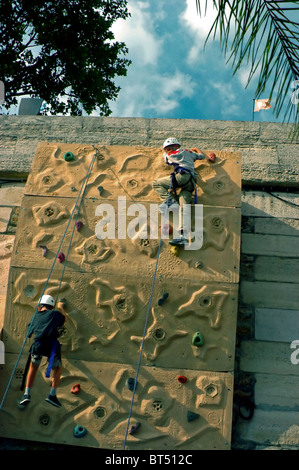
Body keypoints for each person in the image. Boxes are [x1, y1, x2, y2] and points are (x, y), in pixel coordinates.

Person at [152, 137, 216, 245]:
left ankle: (170, 201)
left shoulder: (173, 154)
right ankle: (184, 236)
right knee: (184, 208)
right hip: (191, 182)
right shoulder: (190, 153)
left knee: (156, 183)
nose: (168, 151)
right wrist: (197, 150)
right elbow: (201, 156)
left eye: (168, 148)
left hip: (182, 177)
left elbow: (167, 160)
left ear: (174, 146)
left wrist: (164, 153)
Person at [19, 294, 69, 408]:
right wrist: (61, 308)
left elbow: (29, 333)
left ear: (39, 307)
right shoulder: (54, 314)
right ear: (51, 307)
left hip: (38, 345)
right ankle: (52, 395)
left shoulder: (35, 316)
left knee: (33, 367)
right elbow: (64, 319)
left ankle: (26, 394)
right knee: (57, 368)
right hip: (51, 346)